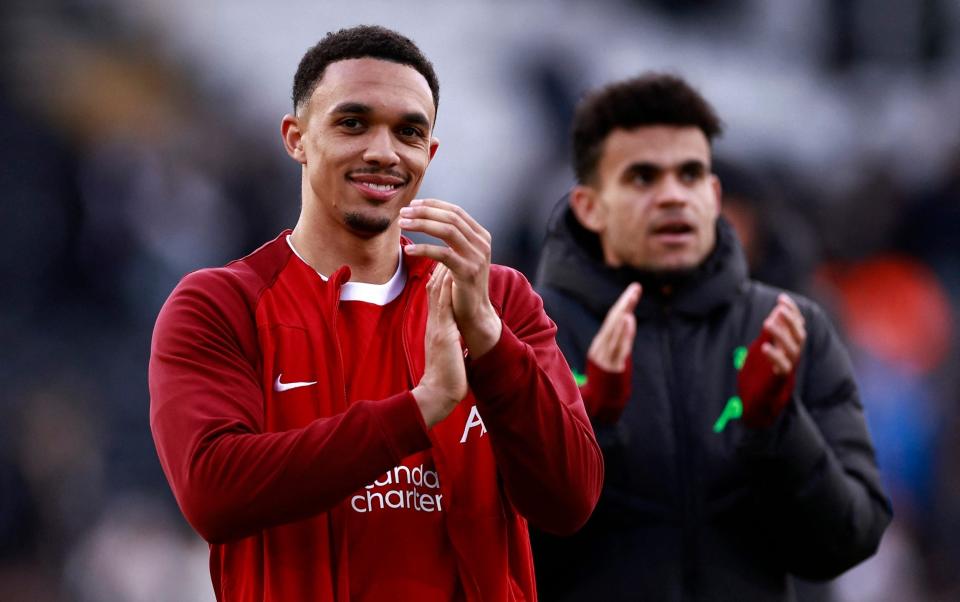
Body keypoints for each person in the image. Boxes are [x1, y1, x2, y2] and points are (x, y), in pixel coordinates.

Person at [148, 25, 602, 602]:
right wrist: (418, 411)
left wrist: (490, 341)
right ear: (297, 138)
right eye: (353, 123)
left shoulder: (497, 301)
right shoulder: (220, 304)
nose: (383, 152)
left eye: (408, 132)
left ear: (429, 153)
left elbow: (571, 500)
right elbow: (213, 491)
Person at [531, 73, 891, 601]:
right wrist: (590, 428)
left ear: (713, 193)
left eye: (691, 174)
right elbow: (501, 558)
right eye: (642, 178)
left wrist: (778, 429)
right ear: (589, 206)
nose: (673, 197)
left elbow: (846, 541)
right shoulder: (531, 334)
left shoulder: (795, 326)